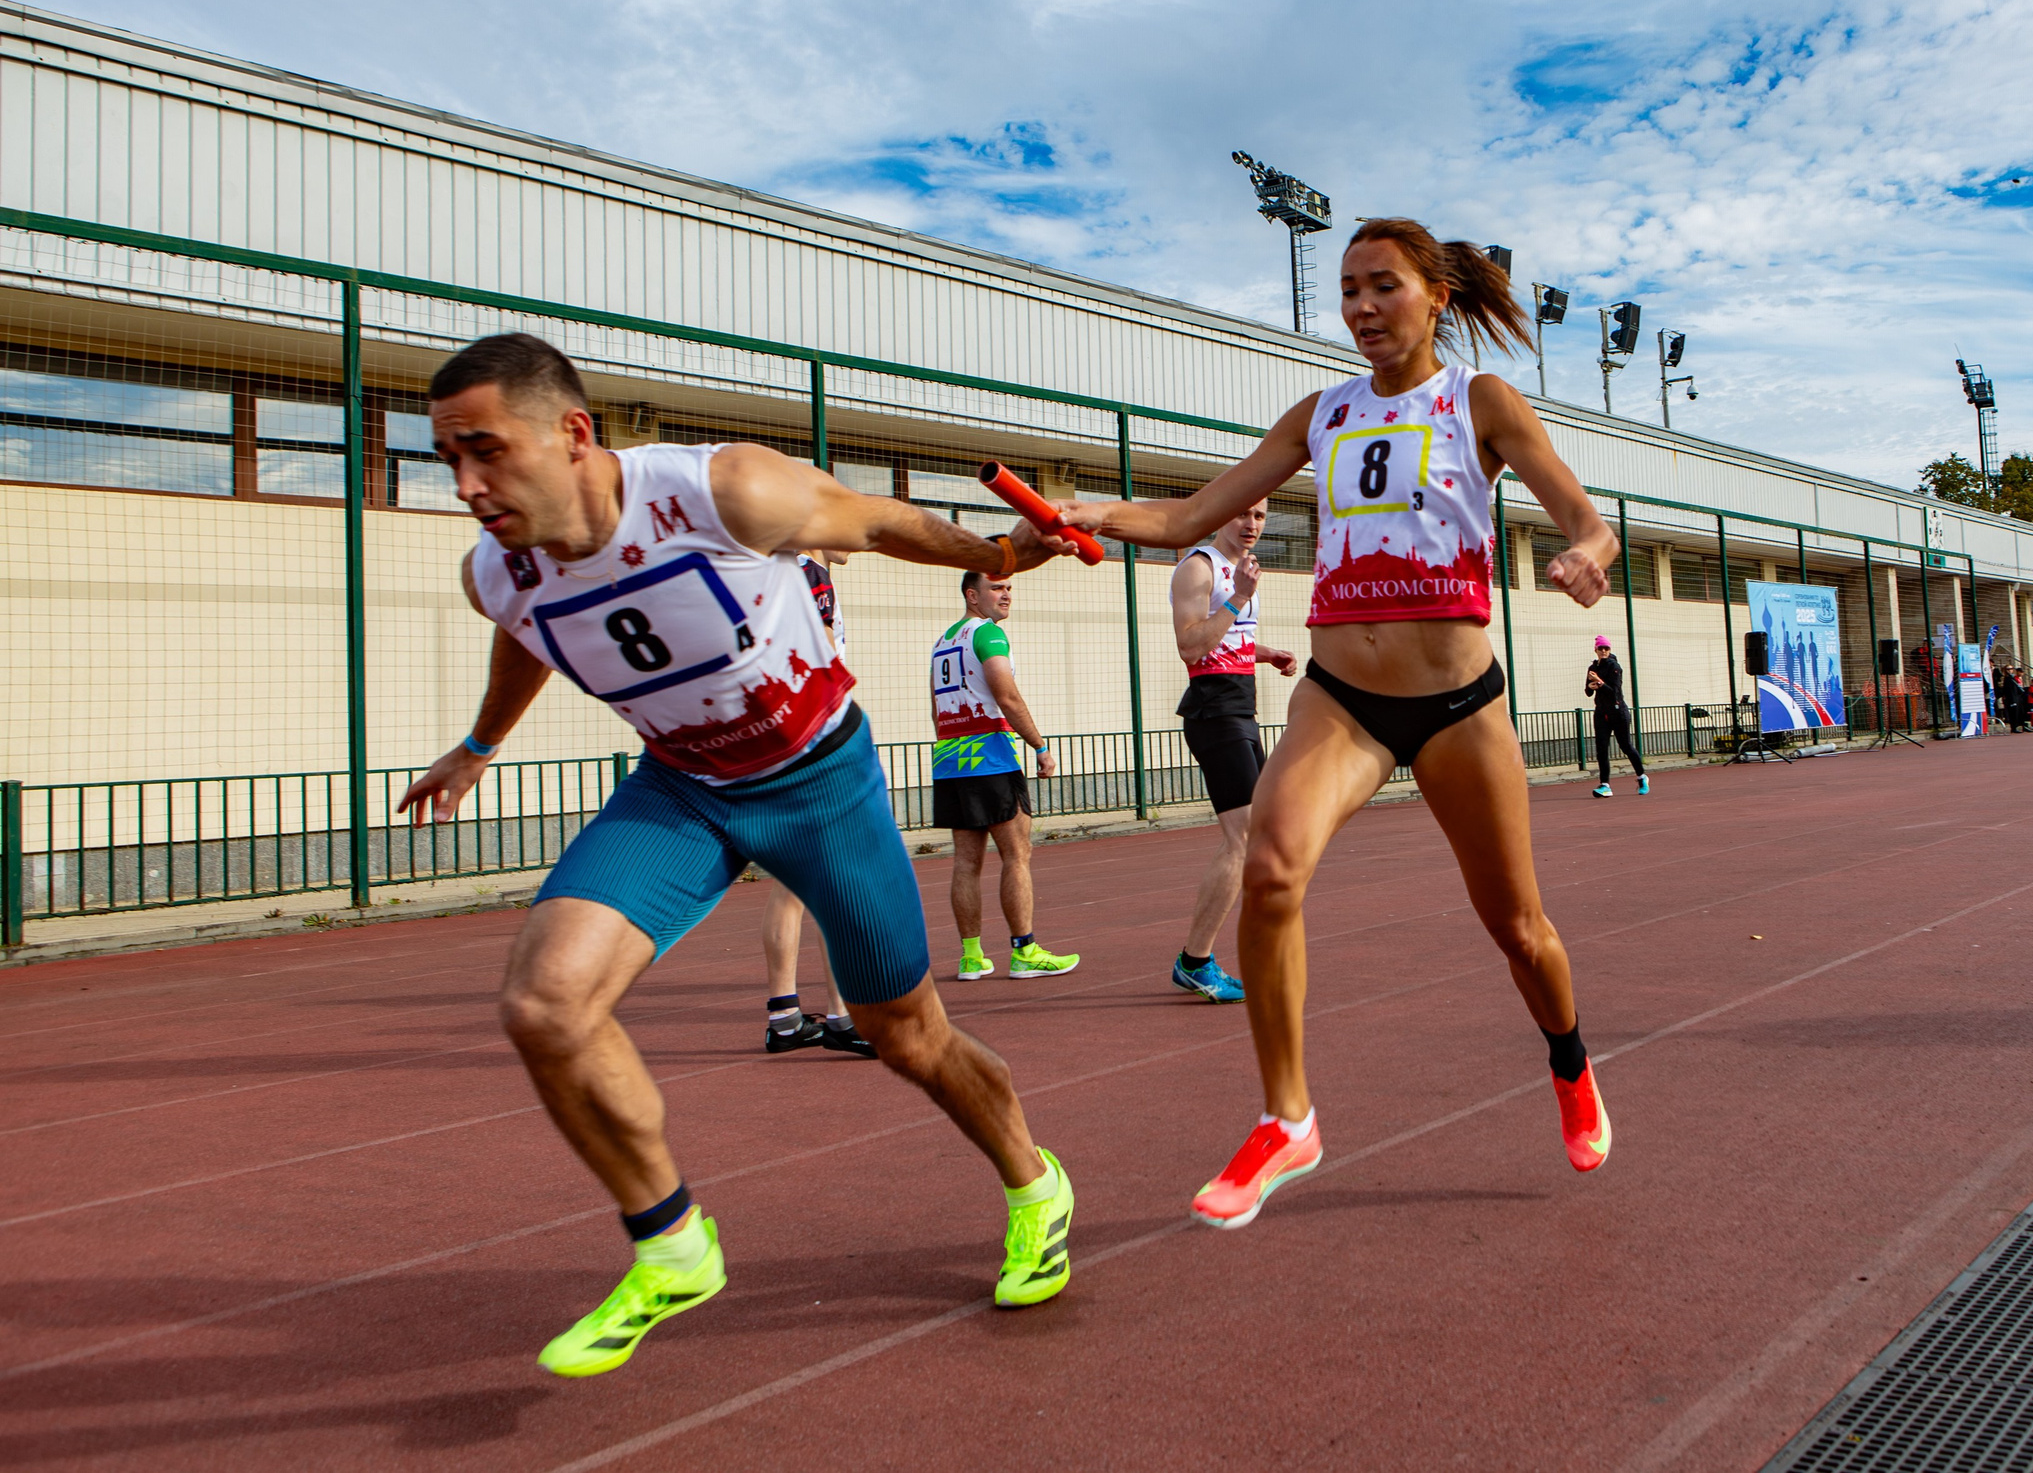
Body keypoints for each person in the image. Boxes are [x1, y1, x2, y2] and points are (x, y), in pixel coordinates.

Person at [396, 333, 1079, 1379]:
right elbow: (524, 631)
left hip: (819, 782)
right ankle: (672, 1243)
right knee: (544, 1002)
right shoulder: (498, 571)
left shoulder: (723, 491)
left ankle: (1035, 1185)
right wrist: (479, 744)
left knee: (907, 1038)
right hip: (682, 790)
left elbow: (878, 519)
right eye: (448, 458)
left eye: (485, 450)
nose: (467, 483)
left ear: (572, 434)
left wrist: (991, 556)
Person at [1056, 217, 1619, 1231]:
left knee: (1518, 930)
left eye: (1382, 286)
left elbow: (1588, 518)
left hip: (1458, 705)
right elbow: (1189, 516)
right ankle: (1288, 1117)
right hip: (1341, 696)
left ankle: (1570, 1063)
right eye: (1348, 290)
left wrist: (1588, 553)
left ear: (1436, 294)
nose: (1361, 308)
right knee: (1269, 868)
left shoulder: (1476, 400)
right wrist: (1093, 512)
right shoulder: (1321, 413)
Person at [1166, 499, 1298, 1002]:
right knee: (1243, 839)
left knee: (1258, 837)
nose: (1251, 524)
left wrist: (1266, 654)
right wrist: (1239, 598)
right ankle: (1195, 961)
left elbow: (1228, 640)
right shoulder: (1198, 568)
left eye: (1261, 516)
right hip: (1213, 713)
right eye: (1242, 513)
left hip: (1239, 710)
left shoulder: (1237, 570)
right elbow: (1191, 645)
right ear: (1222, 515)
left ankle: (1217, 955)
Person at [931, 570, 1078, 981]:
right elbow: (1007, 695)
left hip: (949, 757)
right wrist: (1041, 747)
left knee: (966, 862)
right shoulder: (988, 635)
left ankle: (972, 957)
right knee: (1016, 855)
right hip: (991, 756)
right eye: (997, 588)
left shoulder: (942, 642)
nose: (1007, 595)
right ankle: (1025, 951)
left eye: (1009, 587)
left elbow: (935, 709)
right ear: (972, 595)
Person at [761, 550, 875, 1057]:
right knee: (840, 880)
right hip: (813, 736)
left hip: (772, 736)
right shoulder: (811, 573)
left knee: (789, 887)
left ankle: (784, 1018)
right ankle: (843, 1017)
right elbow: (823, 656)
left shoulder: (766, 567)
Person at [1585, 636, 1646, 797]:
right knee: (1601, 750)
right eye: (1600, 648)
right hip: (1601, 713)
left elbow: (1614, 693)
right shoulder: (1592, 667)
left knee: (1626, 746)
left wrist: (1599, 682)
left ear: (1610, 650)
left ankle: (1641, 777)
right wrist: (1591, 686)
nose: (1603, 651)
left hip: (1618, 712)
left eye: (1606, 648)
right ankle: (1605, 785)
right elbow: (1588, 691)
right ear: (1596, 650)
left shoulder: (1615, 667)